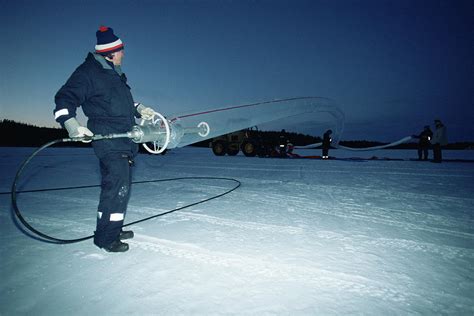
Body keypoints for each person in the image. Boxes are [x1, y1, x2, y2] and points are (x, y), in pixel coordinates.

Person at [53, 26, 156, 252]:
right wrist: (72, 125)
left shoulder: (113, 73)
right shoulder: (89, 72)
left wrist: (139, 109)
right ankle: (106, 238)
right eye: (121, 51)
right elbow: (63, 99)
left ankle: (113, 227)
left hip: (125, 140)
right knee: (115, 188)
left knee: (120, 188)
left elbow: (116, 103)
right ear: (110, 52)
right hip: (109, 140)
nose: (123, 54)